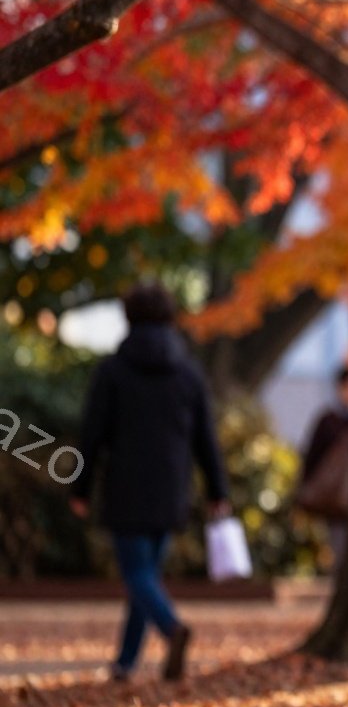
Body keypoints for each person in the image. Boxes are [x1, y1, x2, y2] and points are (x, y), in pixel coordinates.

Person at [69, 283, 232, 682]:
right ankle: (126, 663)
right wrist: (217, 491)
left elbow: (92, 435)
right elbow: (205, 439)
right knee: (146, 576)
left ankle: (171, 627)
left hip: (126, 486)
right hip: (172, 489)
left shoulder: (112, 372)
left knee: (137, 575)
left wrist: (80, 487)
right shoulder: (189, 374)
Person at [297, 365, 348, 570]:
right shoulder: (329, 422)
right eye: (347, 386)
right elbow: (312, 456)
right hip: (335, 500)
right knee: (340, 546)